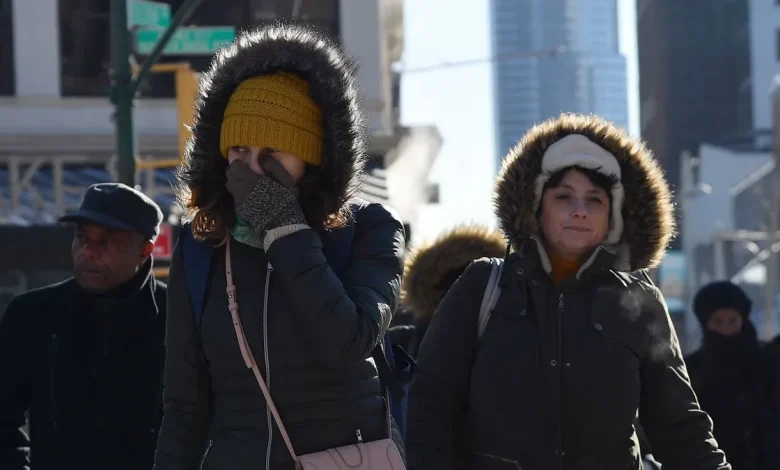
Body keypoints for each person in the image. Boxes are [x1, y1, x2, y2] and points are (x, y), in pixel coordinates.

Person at [405, 113, 730, 470]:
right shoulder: (482, 286)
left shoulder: (641, 301)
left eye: (595, 200)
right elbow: (431, 404)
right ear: (535, 207)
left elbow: (680, 428)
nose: (579, 212)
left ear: (614, 215)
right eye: (564, 197)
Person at [153, 23, 406, 470]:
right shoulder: (201, 248)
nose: (252, 168)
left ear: (312, 157)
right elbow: (185, 408)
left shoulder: (370, 229)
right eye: (239, 150)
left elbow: (349, 340)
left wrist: (285, 227)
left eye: (271, 152)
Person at [0, 182, 167, 470]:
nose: (88, 251)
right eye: (82, 237)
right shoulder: (31, 314)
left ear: (144, 250)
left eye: (106, 240)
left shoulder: (178, 319)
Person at [685, 281, 780, 470]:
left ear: (742, 319)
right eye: (718, 322)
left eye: (732, 320)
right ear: (706, 324)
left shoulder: (769, 360)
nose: (726, 329)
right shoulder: (693, 369)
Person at [389, 224, 506, 359]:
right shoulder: (401, 343)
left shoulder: (513, 344)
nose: (465, 298)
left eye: (478, 286)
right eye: (453, 284)